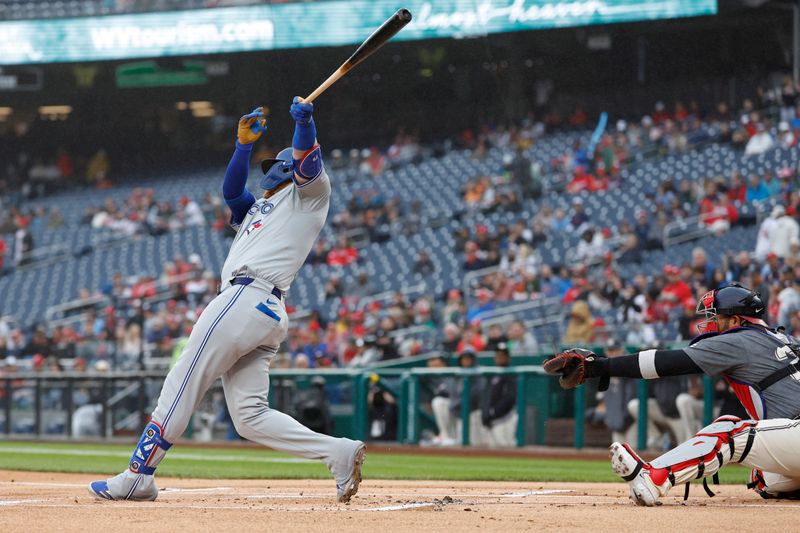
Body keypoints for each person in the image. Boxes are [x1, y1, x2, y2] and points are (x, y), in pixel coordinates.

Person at [89, 99, 365, 503]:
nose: (267, 168)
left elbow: (308, 160)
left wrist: (304, 124)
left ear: (288, 166)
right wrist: (242, 147)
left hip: (245, 297)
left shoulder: (309, 196)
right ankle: (337, 452)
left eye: (276, 162)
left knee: (183, 380)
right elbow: (232, 191)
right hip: (263, 310)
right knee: (250, 417)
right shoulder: (261, 208)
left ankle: (137, 476)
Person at [545, 283, 800, 506]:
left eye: (717, 317)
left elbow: (664, 363)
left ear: (735, 321)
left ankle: (653, 478)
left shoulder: (739, 339)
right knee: (765, 477)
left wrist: (599, 366)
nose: (711, 323)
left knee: (727, 431)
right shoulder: (783, 338)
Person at [481, 343, 518, 447]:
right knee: (491, 451)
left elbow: (511, 397)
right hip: (492, 419)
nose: (500, 358)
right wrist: (486, 414)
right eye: (498, 355)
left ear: (508, 358)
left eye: (503, 355)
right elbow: (486, 396)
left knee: (505, 449)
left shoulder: (512, 374)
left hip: (506, 418)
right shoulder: (492, 373)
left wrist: (493, 412)